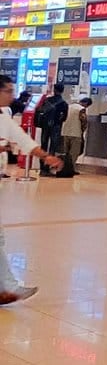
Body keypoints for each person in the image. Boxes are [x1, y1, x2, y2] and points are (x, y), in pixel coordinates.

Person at [0, 75, 63, 303]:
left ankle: (6, 288)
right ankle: (7, 288)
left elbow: (23, 140)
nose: (12, 95)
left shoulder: (4, 117)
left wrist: (46, 157)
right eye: (8, 90)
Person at [61, 95, 90, 168]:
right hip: (76, 133)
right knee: (74, 153)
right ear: (86, 103)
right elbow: (84, 121)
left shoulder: (69, 106)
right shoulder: (81, 109)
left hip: (65, 132)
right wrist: (83, 131)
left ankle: (64, 167)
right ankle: (71, 168)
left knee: (66, 152)